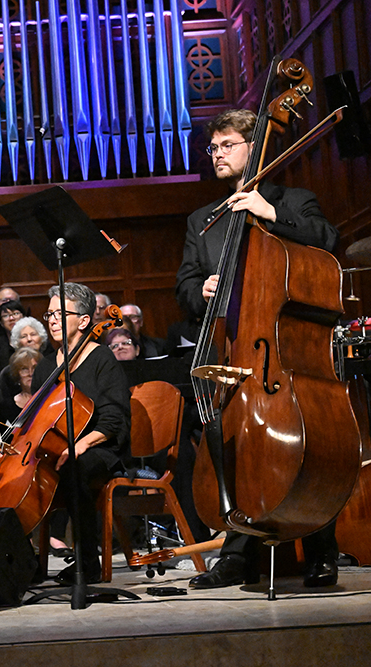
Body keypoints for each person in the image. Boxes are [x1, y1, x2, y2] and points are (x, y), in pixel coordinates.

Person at [175, 108, 341, 589]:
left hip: (281, 353)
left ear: (255, 148)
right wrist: (199, 289)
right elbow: (183, 287)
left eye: (227, 145)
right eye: (214, 147)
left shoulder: (294, 200)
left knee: (307, 442)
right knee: (231, 446)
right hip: (230, 353)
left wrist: (271, 215)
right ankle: (236, 550)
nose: (217, 155)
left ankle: (320, 549)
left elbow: (327, 242)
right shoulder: (203, 220)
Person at [34, 283, 131, 584]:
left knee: (75, 468)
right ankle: (19, 560)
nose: (51, 320)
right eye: (49, 313)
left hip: (97, 450)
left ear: (85, 320)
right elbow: (35, 421)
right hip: (57, 448)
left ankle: (87, 561)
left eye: (60, 313)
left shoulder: (102, 359)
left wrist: (81, 444)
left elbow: (114, 420)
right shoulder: (46, 367)